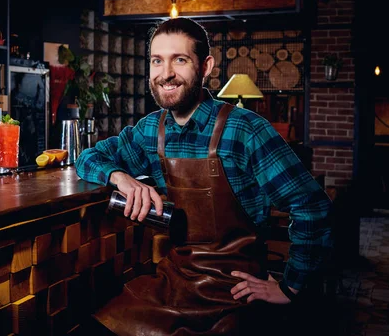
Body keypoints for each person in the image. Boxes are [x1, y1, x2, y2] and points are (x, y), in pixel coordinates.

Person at [75, 18, 333, 335]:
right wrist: (120, 177)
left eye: (179, 60)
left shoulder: (245, 129)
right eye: (157, 60)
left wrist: (290, 287)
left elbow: (312, 206)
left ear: (206, 66)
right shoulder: (149, 131)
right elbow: (87, 158)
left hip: (237, 292)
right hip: (174, 283)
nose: (165, 73)